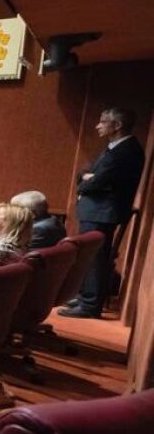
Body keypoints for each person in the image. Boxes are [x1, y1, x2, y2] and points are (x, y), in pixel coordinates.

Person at [60, 108, 146, 318]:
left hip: (103, 212)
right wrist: (87, 178)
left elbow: (96, 181)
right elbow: (86, 173)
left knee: (95, 258)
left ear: (117, 125)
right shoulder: (114, 147)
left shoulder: (125, 151)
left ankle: (90, 305)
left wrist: (87, 181)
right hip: (98, 210)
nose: (98, 126)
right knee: (89, 256)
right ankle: (85, 296)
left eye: (103, 122)